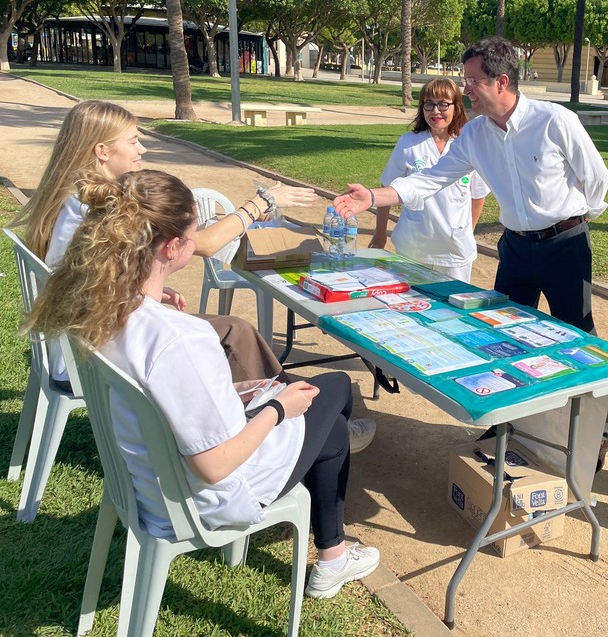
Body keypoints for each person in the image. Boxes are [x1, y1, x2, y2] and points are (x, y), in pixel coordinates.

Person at [24, 170, 380, 598]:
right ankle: (333, 555)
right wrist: (278, 408)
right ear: (172, 247)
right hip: (212, 495)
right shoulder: (180, 338)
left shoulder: (103, 308)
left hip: (146, 482)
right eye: (195, 234)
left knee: (327, 426)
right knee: (336, 389)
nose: (199, 243)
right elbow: (213, 465)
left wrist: (157, 298)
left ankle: (333, 553)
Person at [10, 100, 375, 452]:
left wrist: (141, 290)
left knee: (233, 330)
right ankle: (292, 426)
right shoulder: (104, 202)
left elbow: (97, 268)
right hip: (95, 355)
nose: (142, 148)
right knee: (234, 333)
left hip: (84, 340)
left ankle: (281, 413)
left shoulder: (72, 194)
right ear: (102, 150)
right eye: (133, 140)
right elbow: (203, 243)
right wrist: (263, 201)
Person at [333, 37, 608, 463]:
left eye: (472, 81)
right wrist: (373, 197)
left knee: (576, 336)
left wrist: (576, 220)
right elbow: (430, 179)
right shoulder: (476, 135)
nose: (466, 90)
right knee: (501, 335)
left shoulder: (555, 120)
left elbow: (597, 179)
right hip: (515, 249)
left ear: (501, 82)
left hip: (565, 246)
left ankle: (593, 435)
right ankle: (508, 425)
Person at [369, 77, 489, 283]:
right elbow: (387, 188)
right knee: (410, 307)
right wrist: (380, 235)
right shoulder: (409, 143)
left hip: (454, 253)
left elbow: (478, 196)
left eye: (443, 104)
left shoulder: (469, 144)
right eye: (429, 104)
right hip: (413, 249)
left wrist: (466, 232)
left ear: (456, 107)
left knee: (452, 310)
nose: (435, 111)